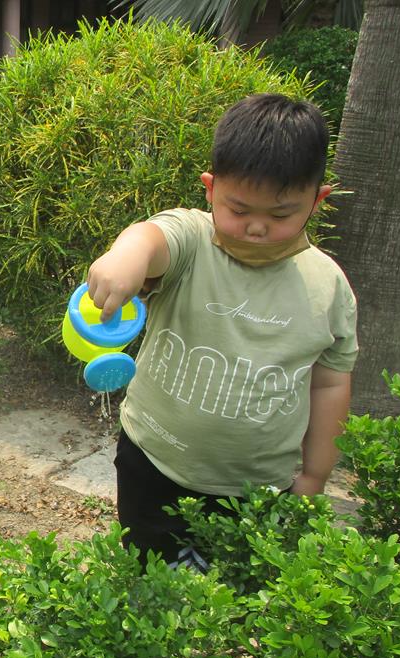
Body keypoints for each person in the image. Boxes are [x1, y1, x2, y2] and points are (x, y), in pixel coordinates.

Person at [86, 93, 358, 570]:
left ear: (317, 201)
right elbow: (152, 236)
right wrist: (125, 257)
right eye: (239, 209)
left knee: (233, 592)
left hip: (257, 487)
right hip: (152, 462)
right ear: (211, 190)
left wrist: (316, 474)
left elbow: (330, 383)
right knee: (151, 580)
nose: (256, 228)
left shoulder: (328, 287)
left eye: (280, 215)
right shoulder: (194, 241)